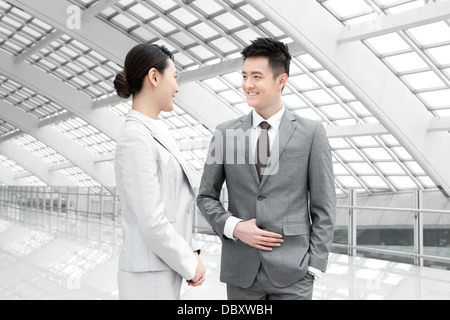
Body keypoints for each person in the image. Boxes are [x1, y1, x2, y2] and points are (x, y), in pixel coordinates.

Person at [197, 38, 336, 300]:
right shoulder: (224, 133)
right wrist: (235, 226)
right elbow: (205, 196)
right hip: (241, 273)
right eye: (245, 76)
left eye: (257, 77)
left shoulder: (311, 133)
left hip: (294, 273)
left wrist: (315, 266)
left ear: (281, 80)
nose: (247, 85)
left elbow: (324, 205)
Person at [114, 43, 206, 300]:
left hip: (161, 268)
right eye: (174, 77)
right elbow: (151, 221)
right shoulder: (134, 138)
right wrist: (190, 261)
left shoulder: (156, 132)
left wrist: (192, 249)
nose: (177, 88)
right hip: (147, 279)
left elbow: (176, 206)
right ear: (154, 77)